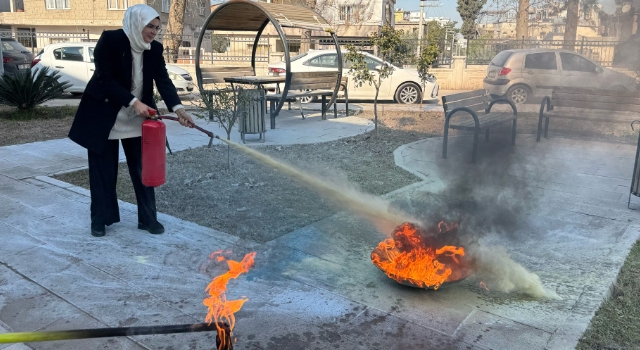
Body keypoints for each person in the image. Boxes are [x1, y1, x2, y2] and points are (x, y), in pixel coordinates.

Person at [68, 4, 195, 237]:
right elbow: (105, 79)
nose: (154, 32)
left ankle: (148, 219)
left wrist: (178, 109)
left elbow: (163, 80)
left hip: (138, 117)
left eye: (157, 27)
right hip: (106, 115)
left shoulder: (154, 49)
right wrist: (134, 102)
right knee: (103, 171)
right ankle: (100, 219)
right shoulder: (111, 40)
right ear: (137, 23)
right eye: (150, 26)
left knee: (143, 169)